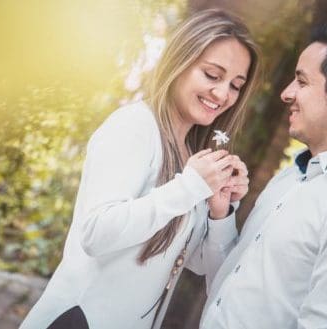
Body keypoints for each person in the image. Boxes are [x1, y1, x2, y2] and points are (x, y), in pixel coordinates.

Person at [20, 9, 259, 329]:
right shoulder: (133, 127)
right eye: (212, 75)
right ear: (179, 62)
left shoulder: (188, 155)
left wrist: (221, 209)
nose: (222, 94)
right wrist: (189, 187)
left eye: (235, 85)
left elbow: (202, 265)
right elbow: (95, 233)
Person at [200, 21, 327, 329]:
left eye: (302, 82)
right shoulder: (293, 177)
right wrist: (222, 213)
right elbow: (228, 289)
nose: (286, 93)